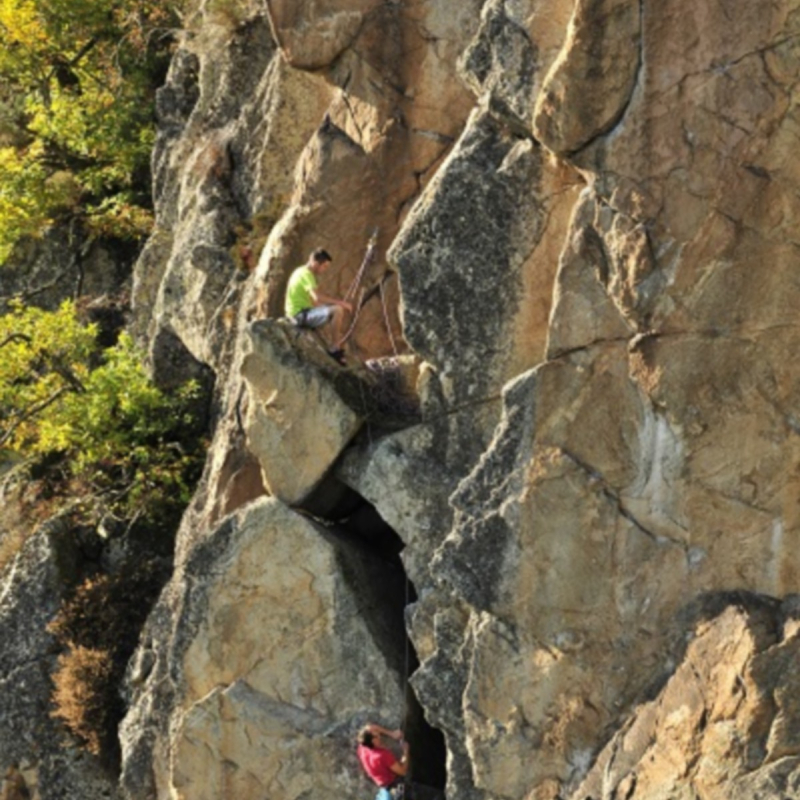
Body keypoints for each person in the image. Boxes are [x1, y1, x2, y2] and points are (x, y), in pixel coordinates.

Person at [284, 248, 352, 362]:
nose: (324, 270)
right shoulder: (306, 274)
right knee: (337, 310)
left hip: (300, 312)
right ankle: (335, 349)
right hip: (299, 315)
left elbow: (314, 302)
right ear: (315, 263)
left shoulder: (300, 271)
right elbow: (317, 297)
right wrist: (342, 303)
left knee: (330, 311)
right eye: (324, 266)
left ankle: (330, 344)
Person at [357, 723, 409, 799]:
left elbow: (370, 727)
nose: (379, 735)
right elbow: (402, 771)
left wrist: (392, 734)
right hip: (392, 785)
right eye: (376, 736)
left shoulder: (362, 748)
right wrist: (406, 752)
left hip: (382, 787)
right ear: (373, 741)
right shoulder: (382, 755)